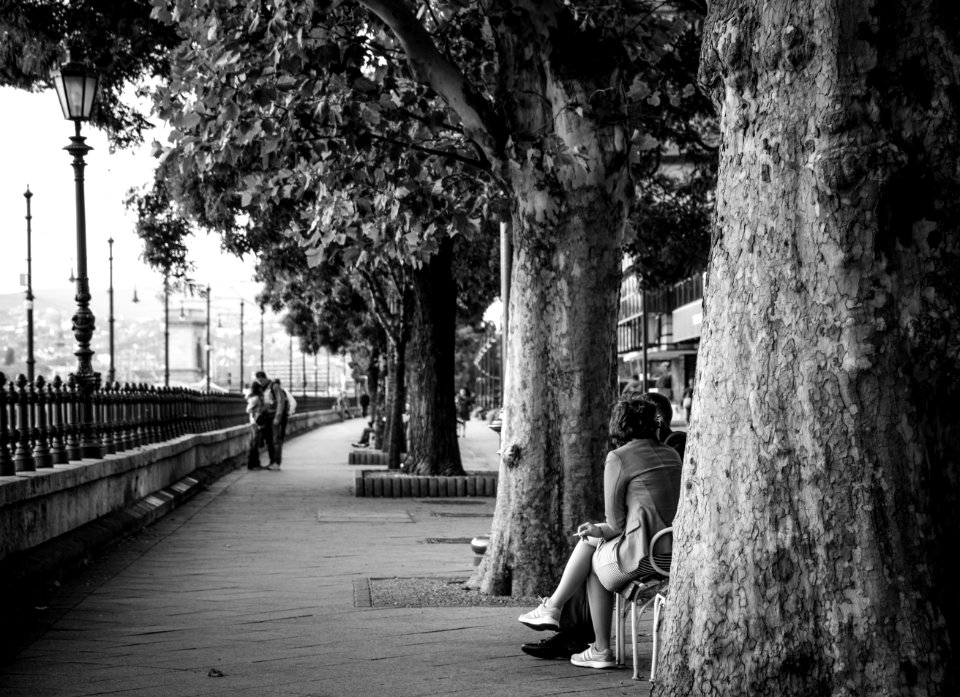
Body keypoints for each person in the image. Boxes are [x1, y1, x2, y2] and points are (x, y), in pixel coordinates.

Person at [518, 393, 681, 668]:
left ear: (620, 425)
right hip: (674, 553)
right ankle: (557, 613)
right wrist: (598, 530)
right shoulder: (671, 453)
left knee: (591, 555)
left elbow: (616, 524)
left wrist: (596, 529)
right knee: (593, 546)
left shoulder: (619, 457)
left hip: (644, 558)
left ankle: (594, 643)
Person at [255, 370, 286, 471]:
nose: (260, 382)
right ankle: (272, 461)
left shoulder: (274, 386)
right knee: (269, 440)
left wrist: (278, 416)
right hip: (266, 417)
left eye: (261, 380)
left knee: (276, 440)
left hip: (274, 416)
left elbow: (281, 401)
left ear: (265, 378)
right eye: (258, 381)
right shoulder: (262, 389)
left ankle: (276, 463)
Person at [245, 381, 267, 470]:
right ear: (258, 388)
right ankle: (251, 464)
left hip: (256, 422)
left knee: (256, 443)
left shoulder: (257, 397)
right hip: (256, 423)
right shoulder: (256, 398)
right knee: (254, 444)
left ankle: (256, 463)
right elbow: (248, 409)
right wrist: (257, 414)